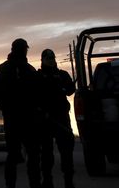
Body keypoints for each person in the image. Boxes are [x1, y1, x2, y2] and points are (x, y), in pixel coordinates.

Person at [0, 38, 41, 188]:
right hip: (27, 119)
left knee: (13, 155)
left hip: (12, 117)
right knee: (32, 154)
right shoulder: (29, 70)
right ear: (24, 50)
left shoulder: (2, 68)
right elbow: (38, 94)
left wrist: (2, 104)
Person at [36, 49, 76, 188]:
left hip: (61, 118)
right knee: (46, 154)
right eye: (47, 58)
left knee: (66, 152)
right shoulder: (38, 76)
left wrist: (62, 87)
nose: (50, 60)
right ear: (42, 60)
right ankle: (47, 181)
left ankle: (69, 182)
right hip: (45, 120)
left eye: (52, 57)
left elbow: (71, 89)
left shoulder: (62, 75)